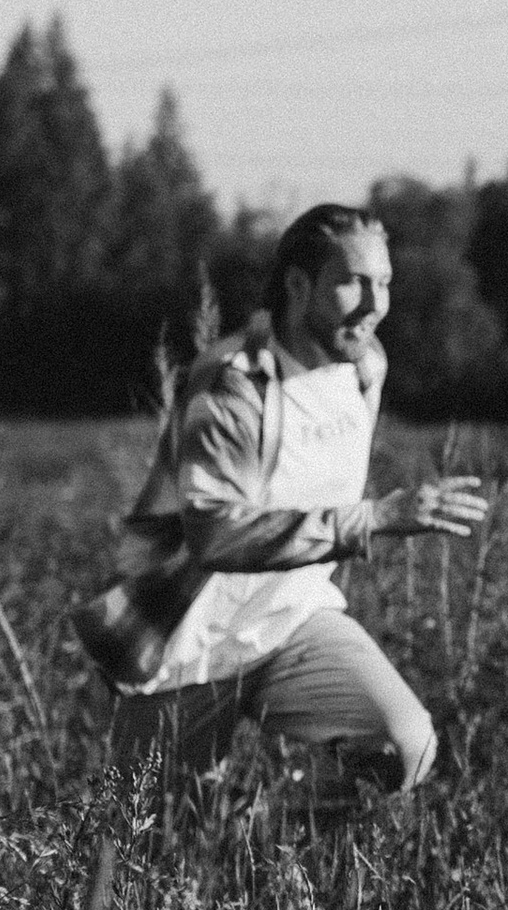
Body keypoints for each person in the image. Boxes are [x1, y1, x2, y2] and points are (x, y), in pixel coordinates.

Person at [75, 202, 484, 799]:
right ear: (298, 284)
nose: (375, 307)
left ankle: (269, 849)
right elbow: (214, 535)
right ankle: (212, 854)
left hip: (291, 623)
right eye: (352, 283)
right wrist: (375, 519)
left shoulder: (365, 368)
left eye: (385, 284)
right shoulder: (233, 382)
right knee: (138, 845)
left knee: (405, 744)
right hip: (185, 642)